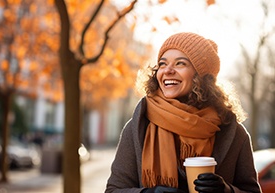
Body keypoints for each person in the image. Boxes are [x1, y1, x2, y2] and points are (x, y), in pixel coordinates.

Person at [105, 32, 262, 193]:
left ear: (201, 76)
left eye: (180, 63)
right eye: (162, 64)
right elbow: (113, 190)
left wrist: (226, 190)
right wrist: (150, 192)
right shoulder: (139, 126)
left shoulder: (233, 132)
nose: (168, 70)